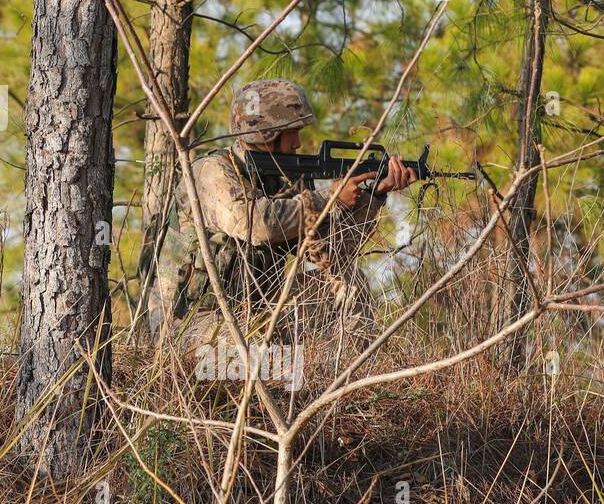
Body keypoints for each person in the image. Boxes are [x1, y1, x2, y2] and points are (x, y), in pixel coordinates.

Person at [148, 78, 418, 350]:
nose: (298, 143)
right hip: (186, 323)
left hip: (255, 311)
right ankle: (286, 377)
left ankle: (349, 382)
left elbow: (332, 253)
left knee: (349, 282)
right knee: (247, 346)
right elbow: (255, 223)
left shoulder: (283, 182)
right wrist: (329, 197)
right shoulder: (212, 171)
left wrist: (372, 198)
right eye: (293, 131)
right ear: (269, 133)